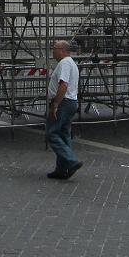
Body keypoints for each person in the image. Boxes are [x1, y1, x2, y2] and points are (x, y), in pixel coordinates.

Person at [45, 39, 82, 180]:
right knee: (64, 134)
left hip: (63, 102)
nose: (53, 51)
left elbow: (63, 85)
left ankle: (71, 160)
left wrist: (55, 104)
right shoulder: (72, 63)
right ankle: (62, 169)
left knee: (52, 133)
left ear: (62, 50)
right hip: (71, 101)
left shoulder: (65, 63)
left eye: (54, 48)